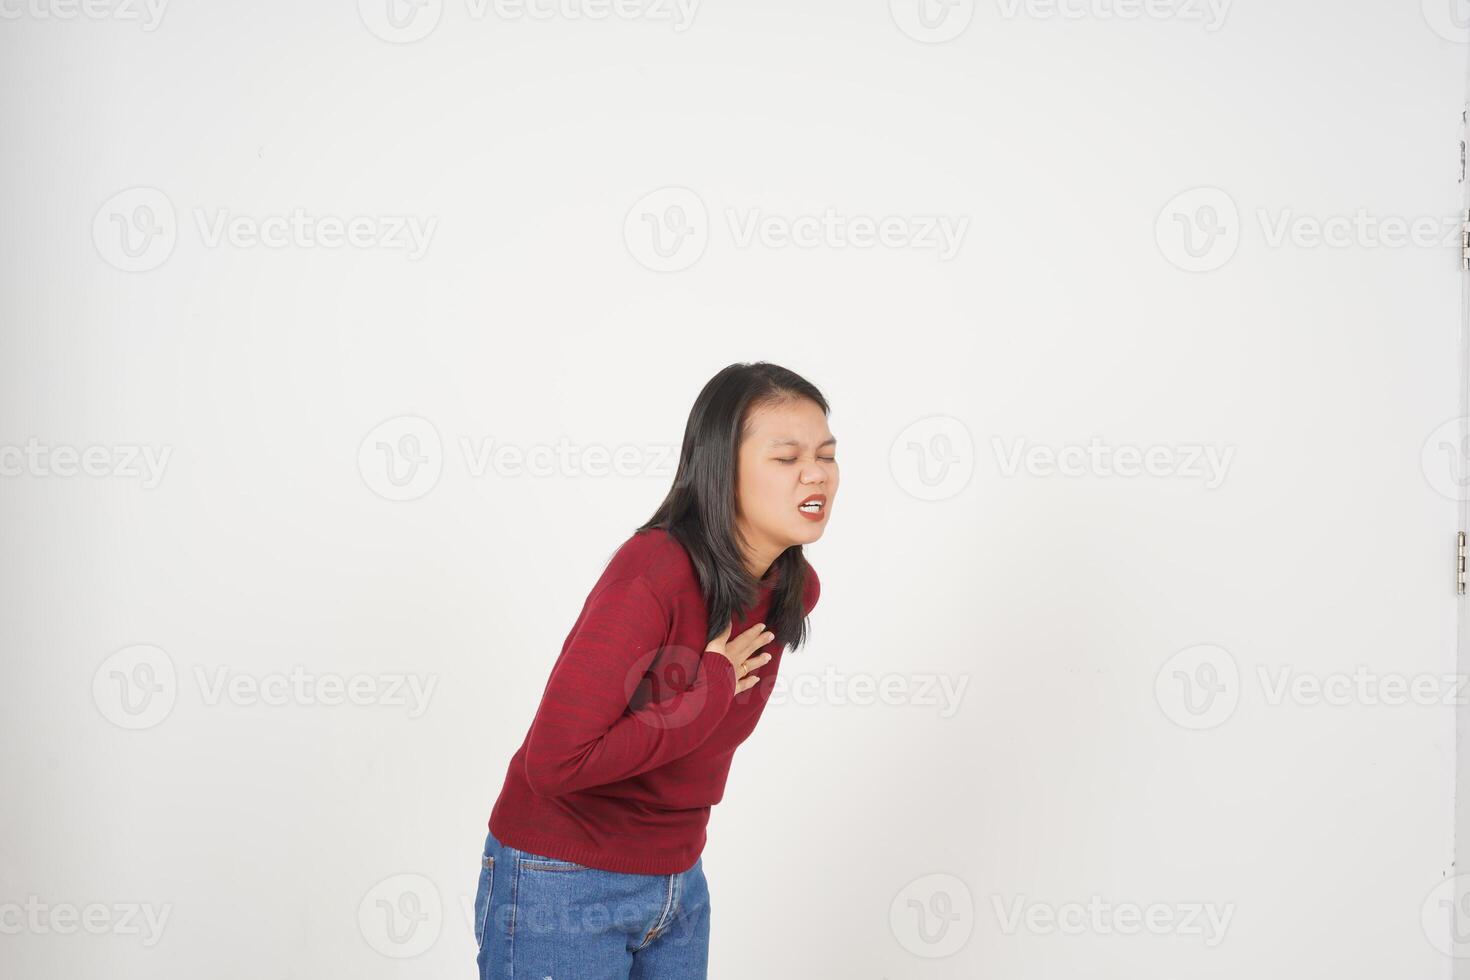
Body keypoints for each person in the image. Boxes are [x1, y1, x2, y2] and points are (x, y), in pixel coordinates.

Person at [472, 361, 838, 979]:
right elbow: (556, 762)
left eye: (827, 455)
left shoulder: (789, 590)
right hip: (562, 882)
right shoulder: (655, 571)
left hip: (678, 884)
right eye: (787, 458)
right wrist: (710, 686)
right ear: (723, 470)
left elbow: (688, 761)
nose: (816, 474)